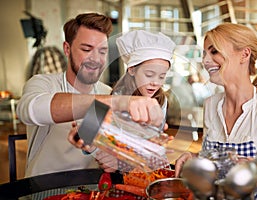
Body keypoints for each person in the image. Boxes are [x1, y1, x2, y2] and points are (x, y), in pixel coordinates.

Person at [16, 13, 165, 177]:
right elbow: (30, 110)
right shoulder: (43, 84)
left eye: (102, 51)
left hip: (93, 187)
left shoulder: (106, 93)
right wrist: (118, 102)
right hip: (42, 188)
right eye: (87, 49)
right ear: (67, 48)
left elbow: (96, 145)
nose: (96, 59)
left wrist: (111, 160)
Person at [174, 23, 257, 199]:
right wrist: (195, 156)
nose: (205, 60)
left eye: (214, 51)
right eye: (204, 54)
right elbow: (216, 160)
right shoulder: (211, 105)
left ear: (244, 54)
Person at [68, 29, 176, 173]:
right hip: (122, 175)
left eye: (162, 77)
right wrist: (99, 150)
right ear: (131, 70)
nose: (155, 83)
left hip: (151, 169)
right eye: (149, 74)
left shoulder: (160, 100)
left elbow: (152, 145)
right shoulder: (112, 99)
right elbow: (86, 141)